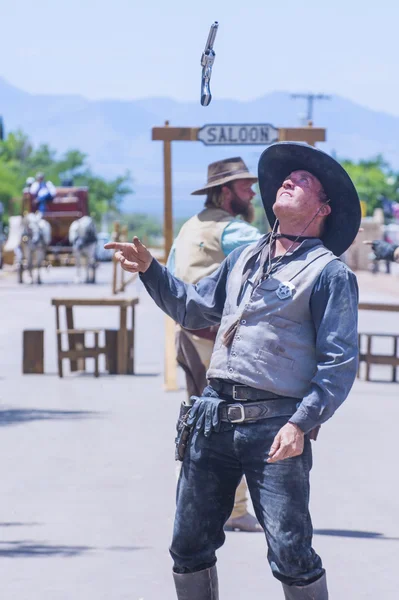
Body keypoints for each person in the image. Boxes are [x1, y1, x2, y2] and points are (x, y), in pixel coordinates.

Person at [105, 142, 361, 600]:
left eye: (304, 180)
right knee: (187, 546)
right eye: (288, 176)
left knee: (290, 552)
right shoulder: (244, 258)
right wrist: (150, 269)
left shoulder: (329, 273)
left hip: (275, 427)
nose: (289, 180)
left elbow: (338, 363)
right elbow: (193, 307)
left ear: (322, 208)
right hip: (212, 417)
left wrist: (303, 423)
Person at [167, 157, 263, 533]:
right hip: (218, 344)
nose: (252, 192)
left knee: (198, 425)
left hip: (189, 336)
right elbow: (276, 251)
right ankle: (235, 510)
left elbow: (172, 277)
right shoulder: (231, 229)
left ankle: (196, 507)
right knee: (233, 423)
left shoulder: (190, 226)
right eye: (244, 187)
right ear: (226, 193)